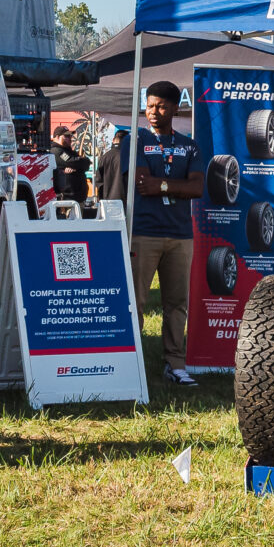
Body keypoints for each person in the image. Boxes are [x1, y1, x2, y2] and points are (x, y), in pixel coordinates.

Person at [97, 81, 200, 386]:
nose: (153, 112)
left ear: (175, 108)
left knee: (177, 303)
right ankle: (129, 363)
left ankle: (175, 363)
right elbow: (143, 183)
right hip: (143, 231)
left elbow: (197, 188)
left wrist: (163, 185)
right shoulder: (136, 140)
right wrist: (176, 186)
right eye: (150, 106)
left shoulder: (190, 145)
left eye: (161, 106)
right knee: (136, 302)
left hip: (180, 235)